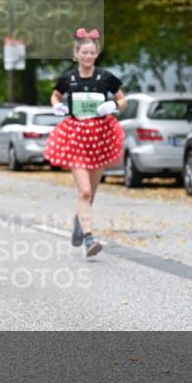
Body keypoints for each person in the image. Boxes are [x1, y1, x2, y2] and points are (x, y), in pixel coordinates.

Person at [43, 28, 126, 257]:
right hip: (76, 137)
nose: (88, 57)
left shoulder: (106, 77)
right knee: (85, 191)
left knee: (92, 191)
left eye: (92, 53)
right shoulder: (68, 78)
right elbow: (55, 95)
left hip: (100, 137)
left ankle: (80, 223)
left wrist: (114, 106)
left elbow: (122, 99)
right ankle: (90, 239)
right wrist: (56, 106)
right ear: (76, 54)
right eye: (84, 53)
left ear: (96, 54)